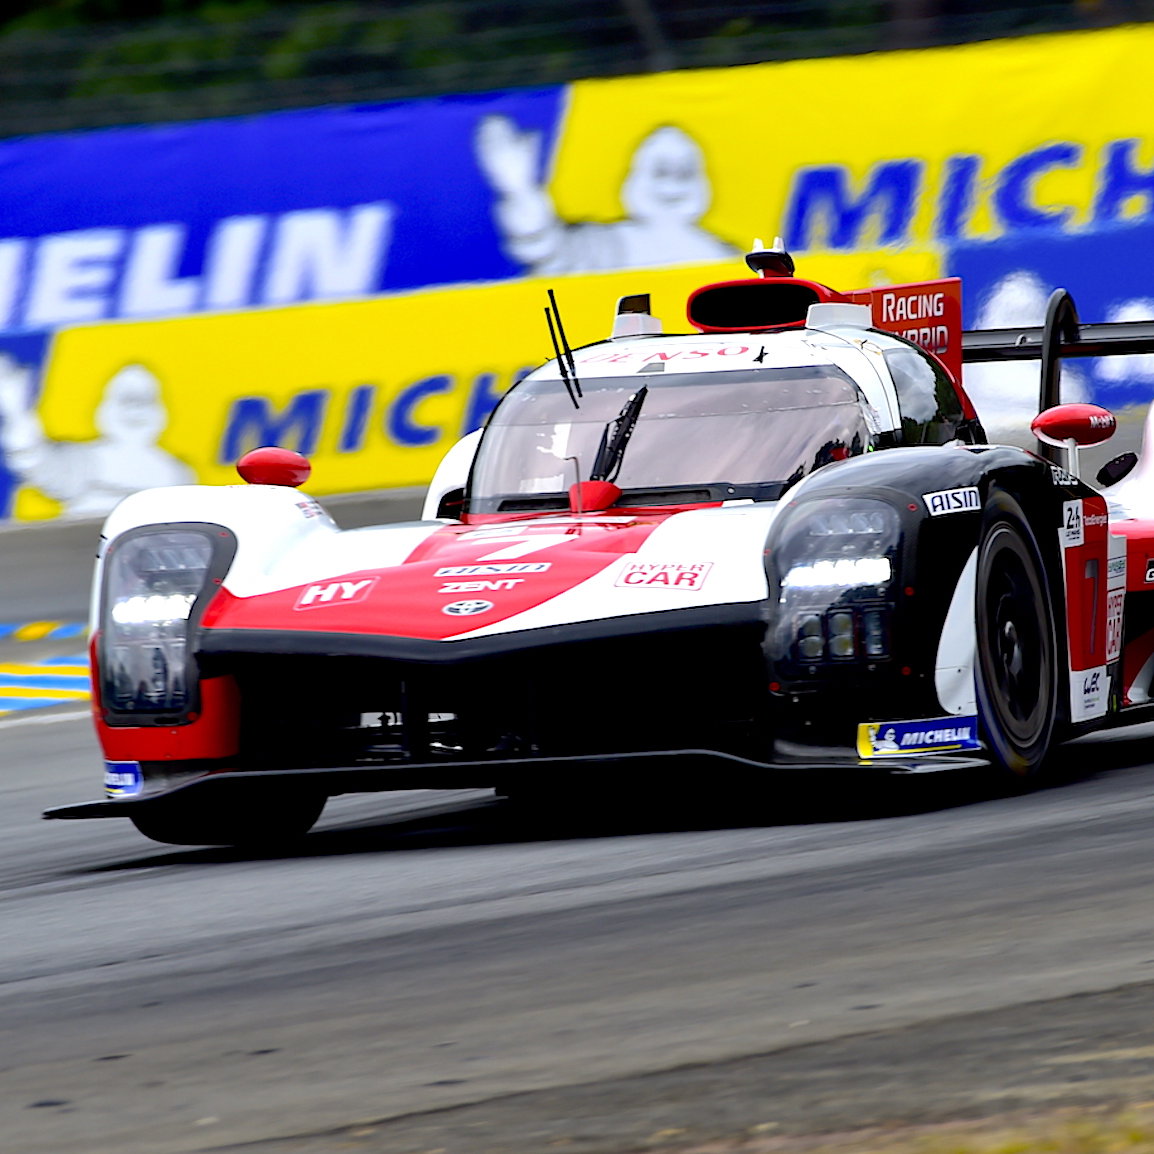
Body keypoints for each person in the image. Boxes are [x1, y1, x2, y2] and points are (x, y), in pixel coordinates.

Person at [475, 117, 736, 275]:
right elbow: (546, 250)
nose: (671, 184)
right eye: (660, 170)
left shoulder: (727, 258)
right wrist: (519, 190)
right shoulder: (607, 245)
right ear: (636, 177)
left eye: (684, 172)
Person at [0, 358, 193, 518]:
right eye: (126, 400)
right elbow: (33, 461)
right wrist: (17, 410)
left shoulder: (177, 474)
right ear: (105, 410)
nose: (134, 411)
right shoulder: (86, 461)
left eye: (144, 401)